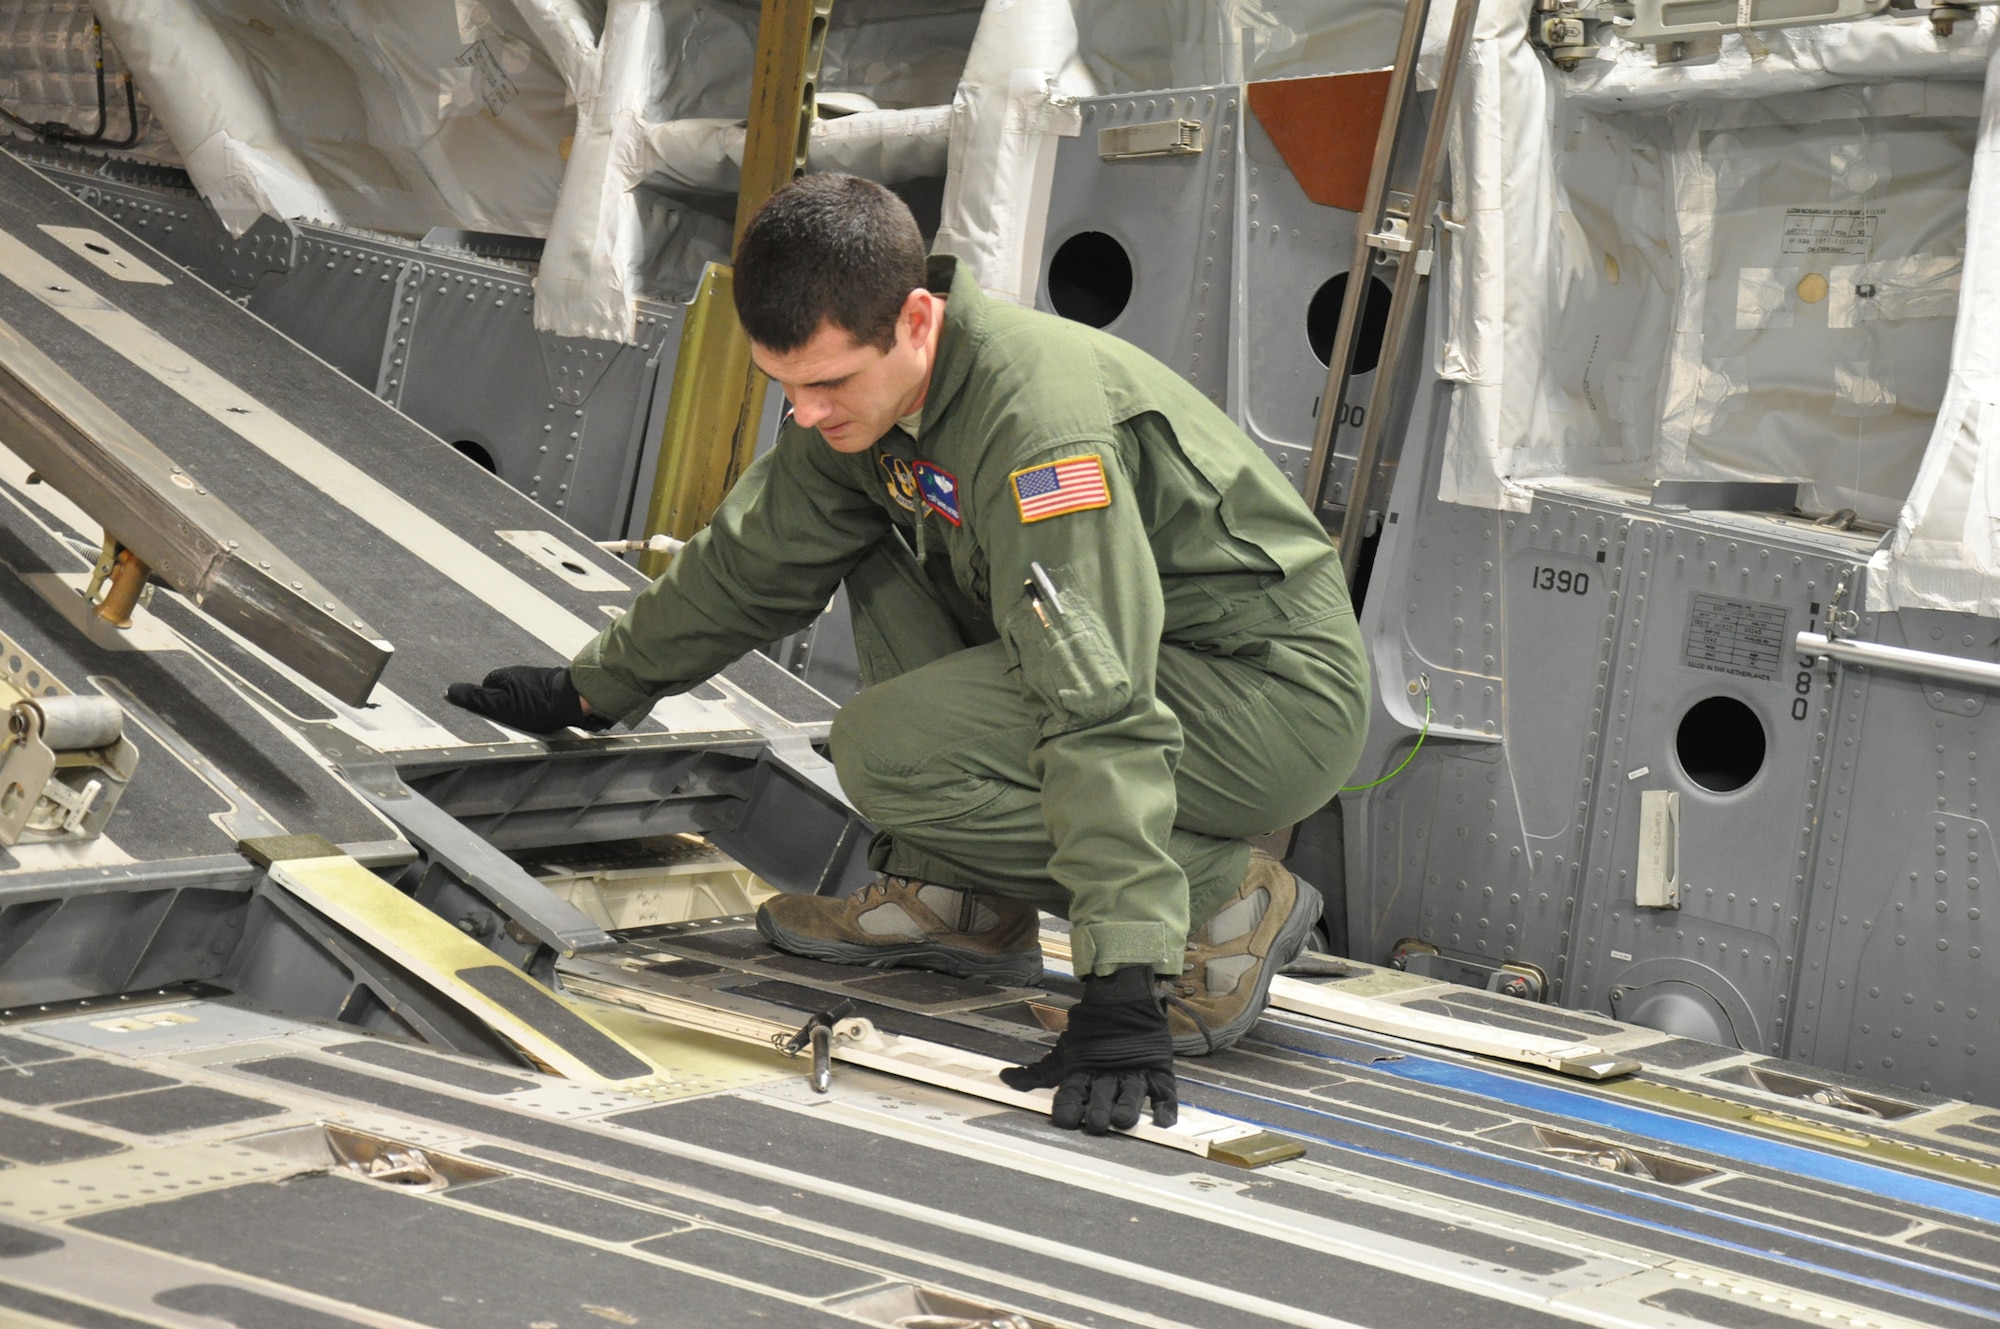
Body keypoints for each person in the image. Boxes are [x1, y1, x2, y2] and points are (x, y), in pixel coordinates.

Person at [448, 174, 1369, 1136]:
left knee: (887, 748)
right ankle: (960, 896)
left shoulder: (1037, 435)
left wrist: (1121, 969)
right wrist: (595, 688)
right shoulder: (874, 406)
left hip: (1269, 695)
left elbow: (1097, 703)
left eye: (829, 383)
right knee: (881, 540)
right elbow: (755, 560)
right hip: (1163, 669)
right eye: (785, 387)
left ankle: (1224, 906)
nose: (805, 414)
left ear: (918, 318)